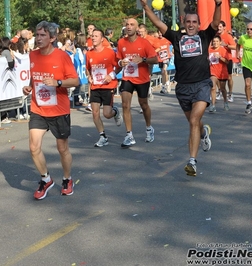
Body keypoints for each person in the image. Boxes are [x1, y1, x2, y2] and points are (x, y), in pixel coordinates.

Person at [140, 0, 221, 177]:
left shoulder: (205, 36)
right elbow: (158, 24)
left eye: (194, 22)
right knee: (194, 123)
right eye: (188, 22)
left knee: (193, 120)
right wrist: (146, 8)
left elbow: (215, 23)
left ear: (199, 25)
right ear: (184, 23)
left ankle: (192, 161)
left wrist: (219, 5)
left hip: (202, 84)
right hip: (183, 88)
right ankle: (204, 132)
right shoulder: (176, 37)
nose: (191, 25)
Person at [22, 21, 79, 200]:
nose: (38, 39)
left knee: (62, 148)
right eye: (37, 35)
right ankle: (45, 179)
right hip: (38, 108)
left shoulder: (62, 56)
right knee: (33, 146)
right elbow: (35, 76)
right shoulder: (32, 55)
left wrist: (58, 82)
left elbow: (75, 81)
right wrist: (29, 86)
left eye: (42, 35)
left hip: (59, 109)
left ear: (52, 38)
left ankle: (67, 179)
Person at [116, 18, 158, 148]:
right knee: (125, 105)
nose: (129, 27)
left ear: (136, 28)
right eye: (127, 25)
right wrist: (120, 63)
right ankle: (129, 135)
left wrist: (144, 59)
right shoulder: (121, 42)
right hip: (128, 77)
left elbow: (155, 59)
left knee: (143, 104)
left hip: (142, 78)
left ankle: (149, 128)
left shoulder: (144, 43)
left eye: (132, 25)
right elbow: (118, 60)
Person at [86, 28, 122, 147]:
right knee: (95, 113)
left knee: (106, 114)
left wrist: (111, 75)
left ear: (102, 39)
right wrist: (89, 76)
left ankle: (115, 112)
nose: (93, 38)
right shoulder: (89, 54)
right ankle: (103, 136)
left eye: (96, 36)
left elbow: (119, 66)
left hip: (107, 86)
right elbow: (88, 69)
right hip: (95, 86)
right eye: (92, 36)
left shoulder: (110, 52)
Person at [208, 36, 229, 112]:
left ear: (220, 42)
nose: (215, 43)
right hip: (213, 72)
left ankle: (225, 101)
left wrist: (220, 57)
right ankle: (213, 105)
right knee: (213, 87)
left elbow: (227, 62)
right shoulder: (209, 50)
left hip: (222, 72)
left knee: (222, 89)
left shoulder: (223, 50)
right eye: (214, 41)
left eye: (217, 41)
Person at [217, 21, 236, 102]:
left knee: (229, 77)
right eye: (218, 26)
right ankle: (219, 91)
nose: (218, 28)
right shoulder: (216, 36)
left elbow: (235, 47)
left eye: (220, 26)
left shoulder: (228, 36)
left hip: (227, 59)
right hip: (218, 59)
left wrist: (226, 45)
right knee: (217, 77)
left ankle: (230, 93)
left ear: (224, 27)